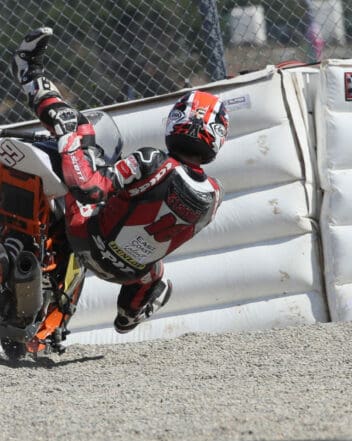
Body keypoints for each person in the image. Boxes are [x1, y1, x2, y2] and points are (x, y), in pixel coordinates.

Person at [7, 27, 229, 333]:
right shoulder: (214, 196)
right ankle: (129, 314)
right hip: (127, 273)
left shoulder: (153, 161)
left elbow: (90, 189)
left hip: (87, 234)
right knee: (154, 270)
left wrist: (70, 140)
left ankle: (29, 71)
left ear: (176, 121)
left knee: (79, 127)